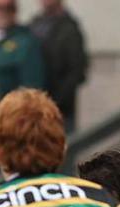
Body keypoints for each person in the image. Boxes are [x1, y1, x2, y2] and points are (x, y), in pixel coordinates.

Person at [29, 0, 88, 131]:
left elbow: (77, 71)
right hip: (35, 107)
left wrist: (55, 102)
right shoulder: (34, 24)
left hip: (60, 109)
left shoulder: (69, 28)